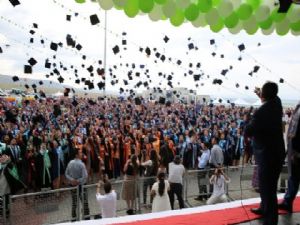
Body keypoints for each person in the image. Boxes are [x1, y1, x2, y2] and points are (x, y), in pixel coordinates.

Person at [245, 82, 285, 225]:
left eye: (261, 92)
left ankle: (270, 220)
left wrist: (247, 119)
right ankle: (263, 208)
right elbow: (272, 98)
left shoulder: (260, 112)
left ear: (264, 95)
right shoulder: (277, 103)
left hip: (267, 156)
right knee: (266, 186)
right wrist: (261, 94)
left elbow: (248, 131)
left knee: (268, 190)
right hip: (277, 153)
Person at [278, 101, 300, 213]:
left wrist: (296, 152)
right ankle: (287, 202)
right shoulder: (298, 107)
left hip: (296, 150)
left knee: (294, 177)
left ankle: (287, 202)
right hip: (293, 148)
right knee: (293, 178)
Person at [65, 148, 90, 221]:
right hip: (82, 186)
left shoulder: (70, 163)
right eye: (80, 153)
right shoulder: (81, 164)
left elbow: (66, 174)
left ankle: (73, 219)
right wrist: (78, 181)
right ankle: (87, 218)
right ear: (76, 155)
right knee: (85, 202)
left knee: (74, 203)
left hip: (73, 186)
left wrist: (72, 180)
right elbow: (85, 176)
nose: (81, 154)